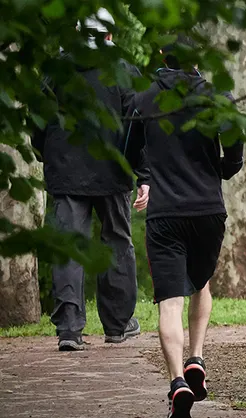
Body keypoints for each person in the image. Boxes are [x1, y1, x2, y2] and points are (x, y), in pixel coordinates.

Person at [125, 36, 244, 418]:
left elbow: (129, 153)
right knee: (201, 283)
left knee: (169, 303)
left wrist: (144, 179)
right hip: (209, 210)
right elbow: (236, 142)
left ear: (162, 57)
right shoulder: (215, 95)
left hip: (165, 215)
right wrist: (223, 169)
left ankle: (178, 381)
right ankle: (197, 356)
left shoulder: (143, 100)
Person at [31, 8, 148, 352]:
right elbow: (138, 124)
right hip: (113, 172)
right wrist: (143, 174)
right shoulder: (123, 70)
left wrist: (45, 153)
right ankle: (117, 324)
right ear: (110, 35)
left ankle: (69, 328)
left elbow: (38, 120)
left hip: (66, 172)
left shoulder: (56, 70)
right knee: (116, 244)